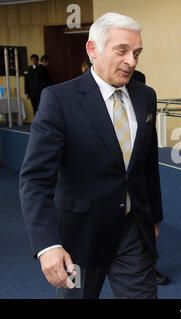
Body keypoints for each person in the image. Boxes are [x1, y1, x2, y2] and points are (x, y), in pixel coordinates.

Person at [19, 12, 163, 299]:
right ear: (92, 49)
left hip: (133, 230)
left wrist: (154, 217)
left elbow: (147, 165)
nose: (131, 61)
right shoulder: (59, 99)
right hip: (79, 238)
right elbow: (35, 179)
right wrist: (47, 244)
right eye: (121, 51)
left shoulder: (145, 95)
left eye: (137, 53)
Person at [130, 68, 170, 286]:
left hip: (139, 192)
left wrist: (156, 217)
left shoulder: (146, 97)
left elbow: (151, 168)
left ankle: (149, 268)